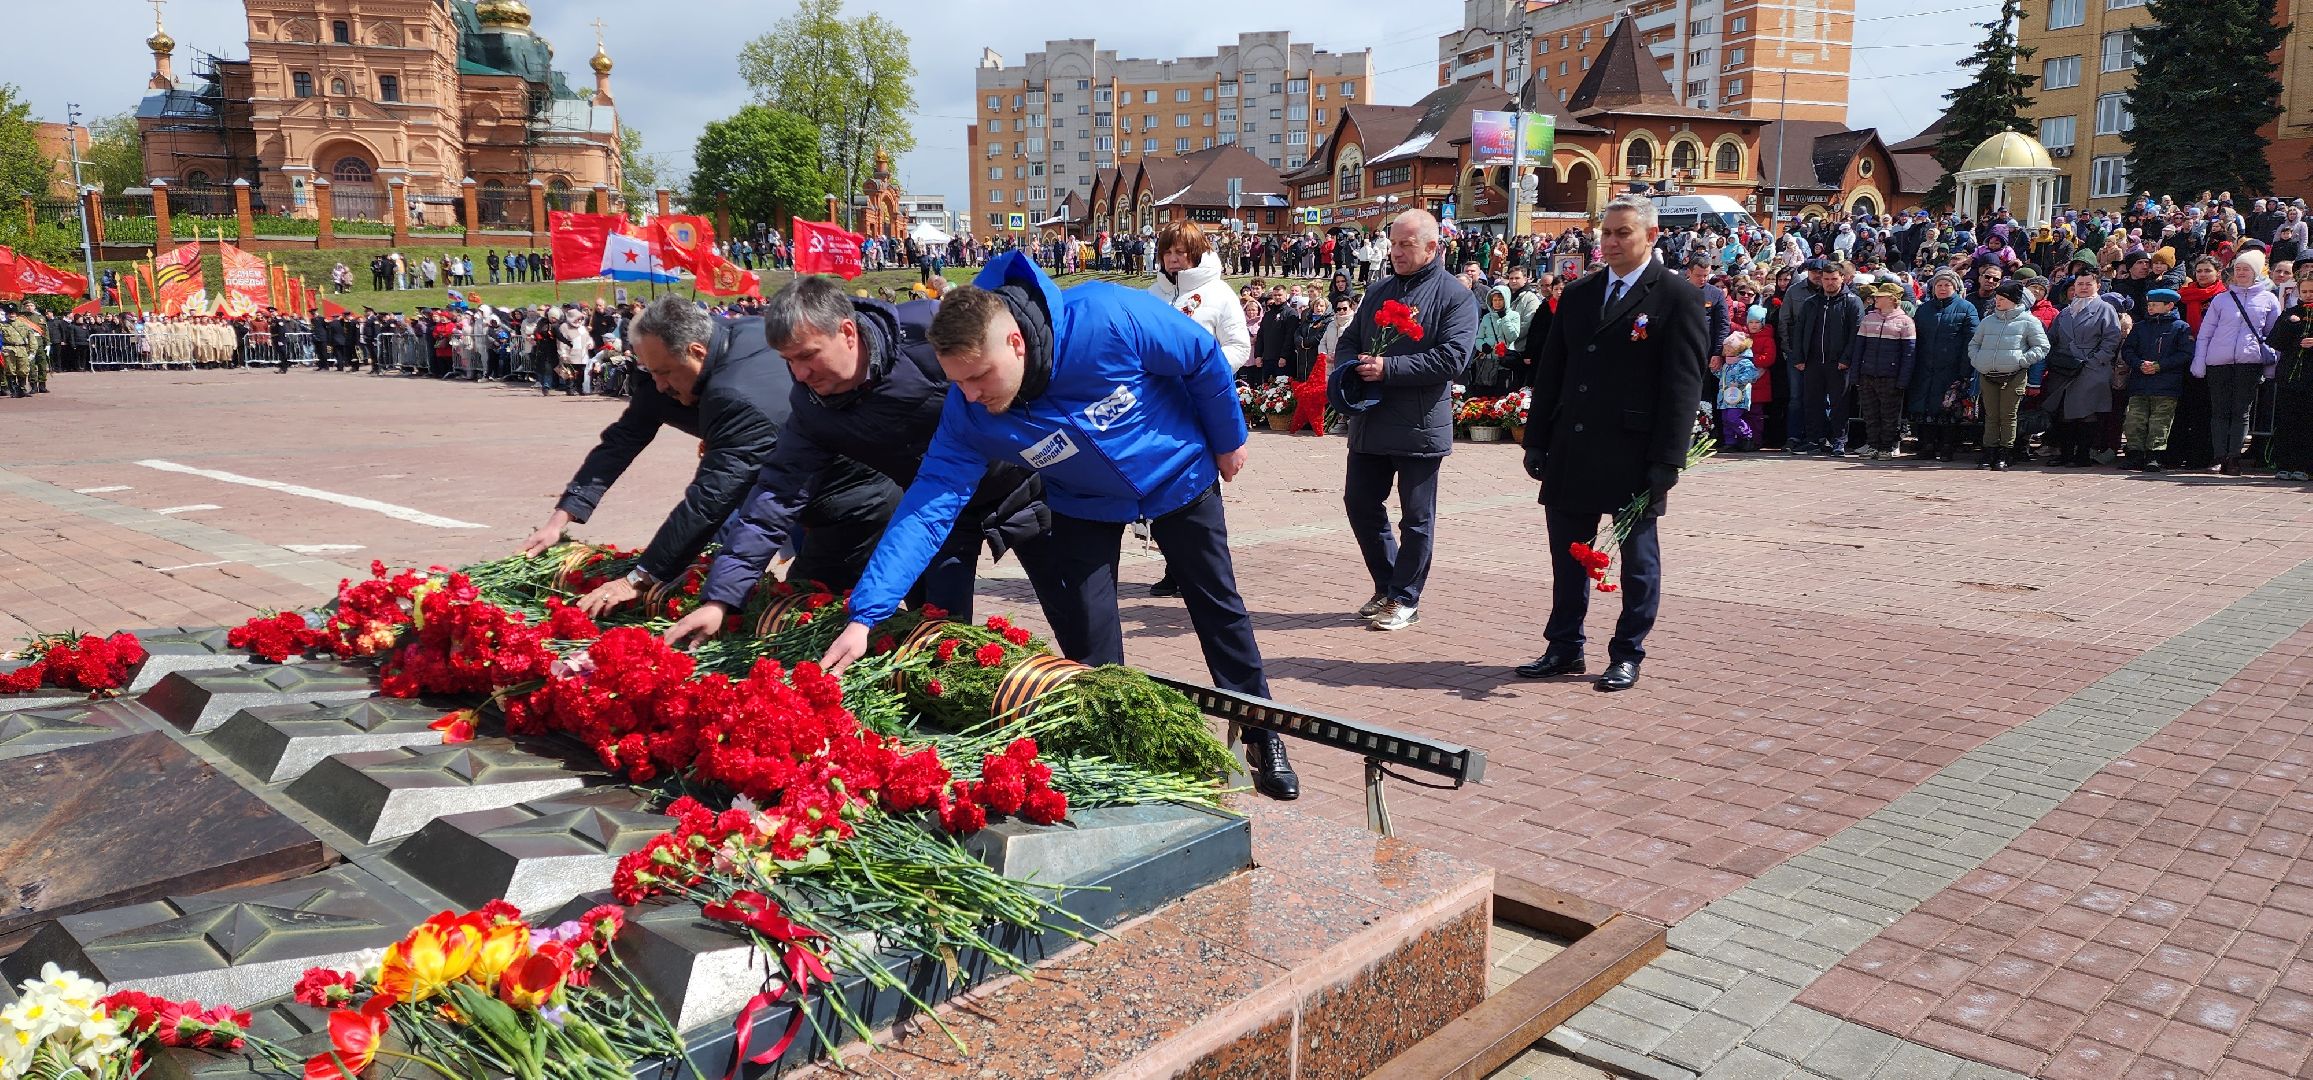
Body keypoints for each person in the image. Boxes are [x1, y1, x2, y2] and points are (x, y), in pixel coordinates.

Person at [813, 250, 1299, 801]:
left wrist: (1229, 437)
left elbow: (1200, 356)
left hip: (1177, 476)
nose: (971, 395)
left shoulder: (1109, 316)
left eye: (978, 377)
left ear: (1015, 342)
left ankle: (1263, 729)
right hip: (1081, 502)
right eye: (958, 383)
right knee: (1089, 634)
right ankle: (1121, 745)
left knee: (1217, 606)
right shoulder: (969, 411)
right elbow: (928, 505)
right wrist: (866, 614)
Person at [662, 276, 1047, 646]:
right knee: (936, 633)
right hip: (929, 513)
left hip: (1024, 490)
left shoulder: (927, 336)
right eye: (788, 360)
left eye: (808, 355)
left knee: (1082, 629)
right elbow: (776, 495)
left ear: (847, 333)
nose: (799, 373)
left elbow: (1021, 369)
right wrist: (721, 598)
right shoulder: (811, 407)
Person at [517, 296, 898, 615]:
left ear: (697, 352)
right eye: (651, 371)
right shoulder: (671, 371)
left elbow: (708, 500)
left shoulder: (739, 394)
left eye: (665, 372)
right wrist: (562, 515)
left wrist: (639, 578)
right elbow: (621, 441)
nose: (659, 385)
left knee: (802, 607)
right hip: (773, 488)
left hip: (851, 501)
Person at [1516, 194, 1708, 692]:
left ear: (1652, 236)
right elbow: (1553, 370)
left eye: (1623, 233)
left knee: (1637, 562)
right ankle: (1563, 646)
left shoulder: (1676, 296)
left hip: (1633, 451)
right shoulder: (1580, 293)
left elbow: (1683, 386)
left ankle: (1627, 652)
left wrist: (1669, 458)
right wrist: (1536, 439)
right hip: (1574, 444)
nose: (1612, 242)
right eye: (1606, 233)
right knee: (1568, 555)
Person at [1329, 209, 1480, 633]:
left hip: (1419, 425)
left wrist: (1388, 368)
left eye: (1406, 245)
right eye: (1393, 243)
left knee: (1416, 519)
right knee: (1359, 504)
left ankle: (1405, 598)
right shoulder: (1378, 291)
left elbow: (1453, 357)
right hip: (1371, 422)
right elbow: (1351, 338)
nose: (1396, 252)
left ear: (1432, 248)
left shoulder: (1455, 296)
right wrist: (1351, 368)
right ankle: (1388, 585)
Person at [1144, 222, 1252, 600]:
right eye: (1168, 252)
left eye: (1181, 252)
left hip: (1201, 402)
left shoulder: (1219, 294)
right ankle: (1173, 566)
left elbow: (1239, 347)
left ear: (1196, 252)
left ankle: (1205, 569)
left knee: (1201, 486)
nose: (1173, 259)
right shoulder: (1152, 295)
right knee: (1161, 482)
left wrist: (1203, 371)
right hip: (1159, 405)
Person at [2194, 250, 2282, 474]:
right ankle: (2218, 455)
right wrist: (2200, 361)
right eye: (2238, 269)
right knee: (2219, 411)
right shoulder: (2221, 299)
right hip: (2218, 362)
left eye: (2246, 269)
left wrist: (2271, 366)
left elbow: (2274, 336)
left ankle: (2233, 457)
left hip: (2249, 362)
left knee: (2241, 411)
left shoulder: (2269, 299)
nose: (2241, 273)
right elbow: (2206, 333)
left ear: (2256, 273)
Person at [1782, 258, 1863, 456]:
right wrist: (1799, 358)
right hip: (1813, 362)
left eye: (1833, 278)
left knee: (1839, 404)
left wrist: (1847, 358)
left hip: (1839, 363)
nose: (1829, 282)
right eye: (1826, 279)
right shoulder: (1812, 303)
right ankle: (1815, 439)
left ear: (1842, 278)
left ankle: (1838, 440)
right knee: (1813, 402)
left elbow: (1856, 333)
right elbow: (1799, 331)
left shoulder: (1852, 302)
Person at [2042, 272, 2124, 467]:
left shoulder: (2105, 309)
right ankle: (2066, 453)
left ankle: (2083, 455)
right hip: (2064, 367)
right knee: (2064, 412)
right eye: (2080, 284)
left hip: (2090, 367)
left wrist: (2095, 361)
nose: (2084, 287)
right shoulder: (2065, 312)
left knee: (2087, 413)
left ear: (2098, 286)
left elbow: (2112, 338)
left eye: (2088, 284)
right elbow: (2052, 338)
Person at [1968, 280, 2050, 471]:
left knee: (2008, 415)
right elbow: (1974, 344)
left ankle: (2006, 452)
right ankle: (1989, 451)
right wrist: (1978, 361)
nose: (1998, 302)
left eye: (2002, 299)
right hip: (1988, 374)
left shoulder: (2029, 321)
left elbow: (2042, 346)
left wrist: (2022, 361)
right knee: (1991, 416)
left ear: (2013, 300)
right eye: (1997, 298)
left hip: (2013, 375)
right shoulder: (1988, 320)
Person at [1906, 270, 1980, 462]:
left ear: (1955, 287)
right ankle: (1927, 445)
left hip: (1951, 368)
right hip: (1925, 367)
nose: (1942, 288)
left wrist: (1965, 369)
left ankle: (1947, 447)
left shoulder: (1966, 308)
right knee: (1925, 408)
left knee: (1948, 409)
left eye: (1947, 285)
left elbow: (1971, 339)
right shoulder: (1923, 309)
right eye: (1939, 285)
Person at [2121, 287, 2193, 471]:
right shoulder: (2140, 327)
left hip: (2166, 385)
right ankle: (2135, 454)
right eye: (2149, 305)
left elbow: (2185, 353)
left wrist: (2159, 366)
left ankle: (2154, 455)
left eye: (2155, 305)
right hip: (2140, 383)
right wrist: (2139, 364)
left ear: (2169, 306)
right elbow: (2128, 350)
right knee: (2135, 420)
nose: (2150, 308)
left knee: (2159, 423)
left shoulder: (2180, 328)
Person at [1844, 281, 1916, 460]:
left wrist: (1903, 380)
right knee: (1870, 413)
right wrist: (1856, 374)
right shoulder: (1869, 318)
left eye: (1880, 296)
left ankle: (1886, 446)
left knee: (1889, 415)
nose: (1875, 298)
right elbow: (1859, 348)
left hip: (1890, 376)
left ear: (1892, 299)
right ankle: (1873, 445)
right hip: (1867, 374)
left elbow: (1909, 354)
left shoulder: (1905, 321)